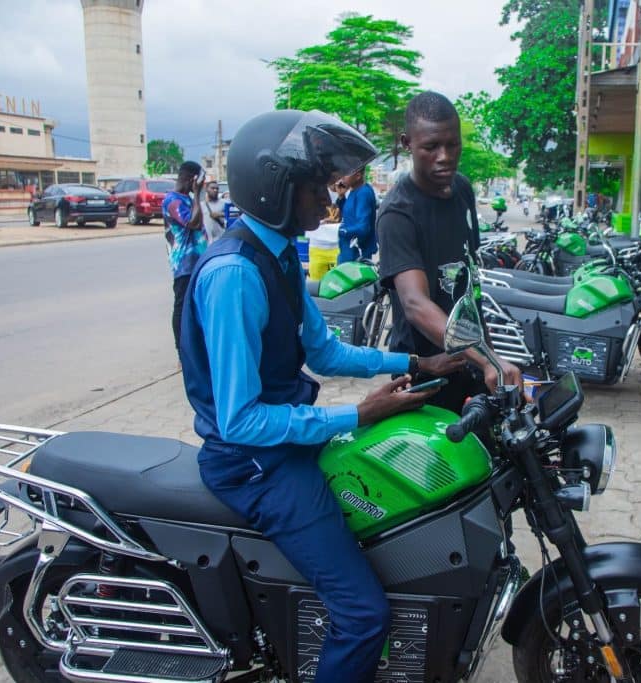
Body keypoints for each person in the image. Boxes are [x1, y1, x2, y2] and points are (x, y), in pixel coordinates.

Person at [178, 109, 464, 682]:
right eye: (317, 186)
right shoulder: (235, 273)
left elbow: (327, 352)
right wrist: (355, 413)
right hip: (254, 465)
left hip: (280, 444)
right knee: (362, 614)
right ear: (277, 188)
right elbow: (239, 421)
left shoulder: (279, 255)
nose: (328, 201)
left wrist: (415, 360)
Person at [377, 91, 523, 414]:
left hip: (469, 361)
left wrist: (488, 354)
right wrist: (488, 359)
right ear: (407, 143)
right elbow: (415, 304)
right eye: (431, 147)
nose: (444, 156)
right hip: (426, 371)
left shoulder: (462, 191)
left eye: (452, 144)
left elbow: (469, 286)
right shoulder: (398, 213)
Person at [162, 161, 207, 350]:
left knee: (197, 307)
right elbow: (193, 223)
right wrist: (196, 194)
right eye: (200, 182)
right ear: (192, 179)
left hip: (197, 262)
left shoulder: (186, 198)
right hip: (184, 265)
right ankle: (181, 350)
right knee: (182, 307)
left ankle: (195, 348)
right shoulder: (173, 200)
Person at [337, 166, 377, 263]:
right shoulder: (353, 191)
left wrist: (342, 231)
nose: (342, 177)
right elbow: (349, 215)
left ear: (358, 176)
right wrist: (341, 197)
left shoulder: (364, 193)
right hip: (348, 249)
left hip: (357, 252)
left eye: (346, 174)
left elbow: (363, 227)